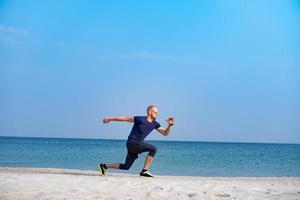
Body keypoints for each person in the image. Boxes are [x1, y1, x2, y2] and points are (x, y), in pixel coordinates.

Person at [99, 105, 174, 177]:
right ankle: (144, 171)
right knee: (153, 149)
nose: (157, 114)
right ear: (149, 112)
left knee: (126, 166)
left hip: (135, 146)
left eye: (157, 113)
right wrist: (110, 119)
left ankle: (104, 166)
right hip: (132, 143)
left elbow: (165, 133)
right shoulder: (140, 119)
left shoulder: (155, 124)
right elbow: (125, 119)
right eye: (155, 112)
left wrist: (170, 125)